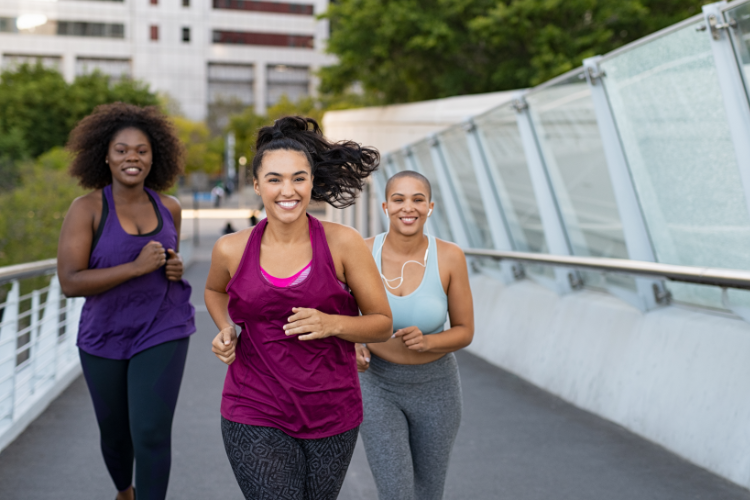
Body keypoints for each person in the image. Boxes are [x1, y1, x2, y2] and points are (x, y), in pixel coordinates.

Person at [206, 116, 393, 500]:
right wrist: (226, 328)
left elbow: (381, 325)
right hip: (253, 405)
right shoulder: (231, 248)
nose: (287, 190)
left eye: (298, 178)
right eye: (274, 179)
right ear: (256, 185)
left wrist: (332, 324)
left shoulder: (344, 243)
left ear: (311, 182)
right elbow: (214, 290)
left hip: (332, 410)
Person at [57, 103, 195, 500]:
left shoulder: (169, 207)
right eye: (121, 150)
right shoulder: (86, 210)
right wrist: (135, 268)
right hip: (105, 334)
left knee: (151, 431)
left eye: (141, 150)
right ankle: (124, 490)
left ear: (155, 157)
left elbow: (168, 261)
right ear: (104, 155)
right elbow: (70, 281)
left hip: (163, 327)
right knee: (116, 435)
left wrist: (174, 267)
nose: (132, 157)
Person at [356, 170, 474, 500]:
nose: (408, 208)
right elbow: (342, 312)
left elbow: (465, 331)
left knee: (428, 491)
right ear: (385, 206)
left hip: (437, 387)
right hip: (378, 385)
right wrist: (354, 343)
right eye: (399, 199)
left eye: (418, 200)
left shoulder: (450, 256)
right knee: (395, 491)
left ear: (430, 207)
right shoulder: (362, 252)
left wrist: (429, 341)